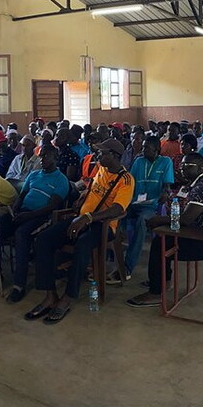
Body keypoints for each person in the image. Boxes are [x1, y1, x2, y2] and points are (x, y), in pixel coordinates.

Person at [26, 139, 133, 324]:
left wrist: (88, 218)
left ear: (114, 156)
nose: (98, 155)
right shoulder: (102, 169)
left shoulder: (126, 179)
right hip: (81, 219)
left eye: (102, 152)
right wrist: (82, 200)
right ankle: (50, 294)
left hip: (103, 225)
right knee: (43, 239)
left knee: (83, 244)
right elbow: (94, 191)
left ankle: (68, 297)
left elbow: (118, 209)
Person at [127, 153, 203, 307]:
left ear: (200, 168)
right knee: (161, 239)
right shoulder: (191, 185)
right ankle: (162, 282)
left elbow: (186, 219)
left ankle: (156, 292)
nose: (182, 168)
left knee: (160, 245)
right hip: (194, 235)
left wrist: (159, 219)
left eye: (188, 166)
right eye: (182, 165)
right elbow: (179, 210)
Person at [4, 146, 70, 304]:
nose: (42, 159)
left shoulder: (61, 180)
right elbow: (22, 195)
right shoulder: (34, 174)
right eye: (41, 156)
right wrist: (14, 210)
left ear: (55, 158)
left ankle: (19, 285)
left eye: (46, 156)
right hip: (24, 212)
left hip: (41, 216)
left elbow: (52, 206)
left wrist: (28, 215)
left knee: (21, 234)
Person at [115, 136, 174, 284]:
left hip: (151, 206)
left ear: (157, 150)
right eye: (142, 147)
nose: (142, 150)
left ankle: (127, 267)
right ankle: (111, 256)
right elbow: (130, 183)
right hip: (133, 203)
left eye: (146, 147)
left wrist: (165, 193)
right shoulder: (139, 161)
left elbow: (167, 186)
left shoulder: (165, 162)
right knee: (114, 216)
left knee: (141, 222)